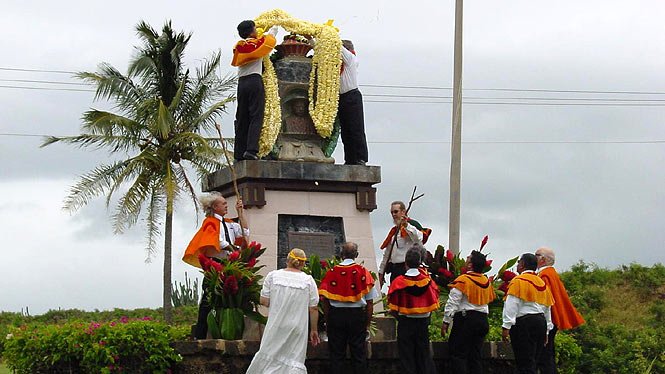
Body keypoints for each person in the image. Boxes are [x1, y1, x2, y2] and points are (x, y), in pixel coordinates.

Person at [182, 192, 249, 339]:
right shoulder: (210, 222)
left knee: (227, 297)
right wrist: (232, 248)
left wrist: (240, 212)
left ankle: (223, 331)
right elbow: (217, 241)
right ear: (214, 206)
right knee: (209, 297)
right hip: (214, 263)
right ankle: (200, 334)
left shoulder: (230, 223)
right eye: (223, 203)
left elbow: (245, 232)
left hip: (229, 263)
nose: (226, 206)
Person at [246, 248, 320, 374]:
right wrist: (314, 330)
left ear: (288, 260)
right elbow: (313, 308)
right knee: (294, 358)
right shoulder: (308, 280)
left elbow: (264, 301)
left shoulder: (273, 276)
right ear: (303, 264)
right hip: (297, 327)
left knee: (269, 355)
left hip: (276, 324)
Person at [319, 242, 378, 374]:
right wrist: (367, 324)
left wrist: (328, 321)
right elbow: (369, 303)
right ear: (356, 255)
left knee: (336, 355)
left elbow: (325, 301)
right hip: (357, 316)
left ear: (341, 255)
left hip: (336, 316)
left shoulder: (331, 273)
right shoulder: (363, 272)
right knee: (359, 355)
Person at [442, 250, 497, 374]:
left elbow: (453, 302)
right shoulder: (486, 282)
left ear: (470, 265)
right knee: (475, 356)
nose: (466, 258)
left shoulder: (463, 280)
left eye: (469, 258)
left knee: (458, 355)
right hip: (482, 319)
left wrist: (446, 321)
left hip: (466, 319)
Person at [387, 245, 439, 374]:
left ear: (406, 263)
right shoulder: (429, 281)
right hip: (422, 324)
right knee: (424, 357)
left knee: (407, 358)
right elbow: (434, 303)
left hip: (405, 323)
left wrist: (400, 318)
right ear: (420, 262)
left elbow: (393, 307)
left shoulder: (399, 282)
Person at [231, 20, 279, 161]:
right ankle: (251, 150)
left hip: (242, 83)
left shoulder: (239, 46)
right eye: (255, 29)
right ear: (252, 31)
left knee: (241, 118)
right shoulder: (256, 44)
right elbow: (269, 41)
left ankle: (239, 154)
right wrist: (274, 26)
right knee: (256, 116)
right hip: (254, 81)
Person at [501, 253, 554, 374]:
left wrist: (506, 326)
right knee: (533, 362)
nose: (517, 264)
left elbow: (511, 304)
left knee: (524, 362)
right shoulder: (541, 282)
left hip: (524, 323)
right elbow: (547, 307)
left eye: (519, 262)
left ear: (523, 265)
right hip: (540, 322)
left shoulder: (518, 281)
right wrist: (546, 330)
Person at [535, 247, 585, 374]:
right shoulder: (551, 274)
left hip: (548, 319)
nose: (533, 257)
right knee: (547, 354)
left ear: (543, 259)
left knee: (544, 356)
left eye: (536, 255)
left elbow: (543, 301)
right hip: (552, 319)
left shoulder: (545, 275)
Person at [379, 201, 424, 286]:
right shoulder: (393, 231)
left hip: (409, 269)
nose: (393, 215)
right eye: (392, 212)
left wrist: (406, 225)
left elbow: (418, 239)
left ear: (403, 212)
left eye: (396, 212)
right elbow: (387, 254)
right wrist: (381, 273)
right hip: (395, 270)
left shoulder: (412, 226)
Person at [338, 39, 369, 166]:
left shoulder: (350, 58)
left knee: (356, 129)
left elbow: (336, 46)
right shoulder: (338, 65)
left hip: (352, 96)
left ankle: (361, 158)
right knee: (346, 132)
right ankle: (350, 159)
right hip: (342, 98)